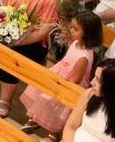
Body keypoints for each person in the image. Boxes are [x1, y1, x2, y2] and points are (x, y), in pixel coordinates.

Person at [20, 11, 103, 140]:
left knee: (50, 103)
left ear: (88, 33)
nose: (71, 30)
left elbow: (76, 79)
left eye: (76, 29)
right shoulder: (76, 43)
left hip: (68, 83)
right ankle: (36, 118)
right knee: (35, 89)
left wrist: (58, 83)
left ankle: (52, 133)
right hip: (60, 74)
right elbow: (68, 55)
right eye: (72, 27)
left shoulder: (84, 57)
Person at [62, 58, 115, 142]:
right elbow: (70, 127)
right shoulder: (90, 94)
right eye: (94, 77)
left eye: (98, 80)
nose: (92, 82)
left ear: (113, 86)